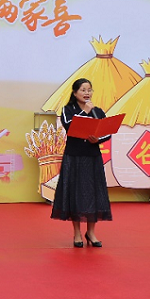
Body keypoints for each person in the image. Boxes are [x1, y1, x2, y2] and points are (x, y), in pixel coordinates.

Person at [51, 78, 112, 247]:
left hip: (93, 157)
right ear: (75, 92)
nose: (87, 93)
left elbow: (107, 132)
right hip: (74, 157)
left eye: (89, 90)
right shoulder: (68, 110)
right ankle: (77, 233)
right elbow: (70, 127)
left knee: (93, 193)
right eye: (83, 90)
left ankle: (91, 233)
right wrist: (85, 111)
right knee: (75, 194)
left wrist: (98, 139)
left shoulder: (97, 111)